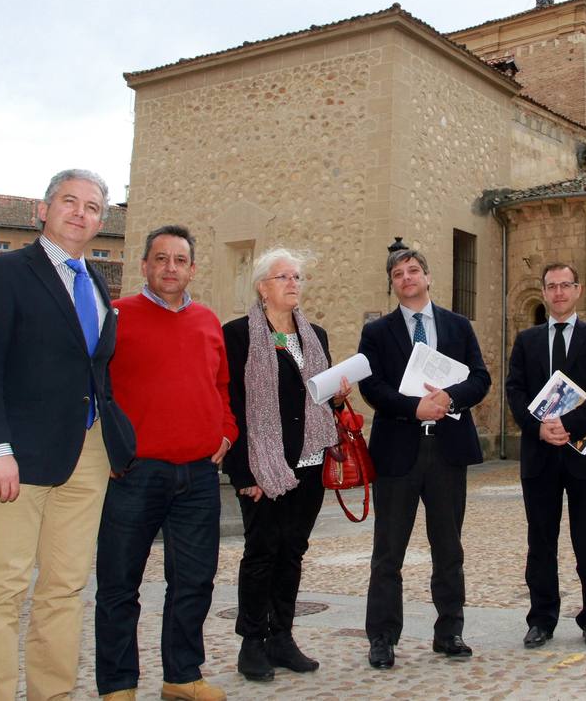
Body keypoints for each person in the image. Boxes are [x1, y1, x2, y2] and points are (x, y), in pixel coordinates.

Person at [0, 168, 136, 701]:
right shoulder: (5, 274)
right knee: (2, 589)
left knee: (65, 588)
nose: (80, 213)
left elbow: (92, 369)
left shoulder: (98, 282)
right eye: (69, 201)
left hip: (87, 455)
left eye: (92, 207)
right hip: (18, 455)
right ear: (44, 209)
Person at [94, 225, 236, 701]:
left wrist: (227, 432)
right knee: (119, 583)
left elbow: (220, 387)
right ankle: (117, 686)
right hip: (136, 473)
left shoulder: (208, 321)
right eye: (161, 259)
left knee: (194, 580)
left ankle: (182, 676)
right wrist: (110, 449)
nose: (170, 267)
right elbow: (97, 388)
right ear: (145, 265)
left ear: (192, 268)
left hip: (198, 474)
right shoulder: (114, 316)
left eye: (179, 260)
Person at [358, 247, 491, 670]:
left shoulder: (456, 326)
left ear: (428, 277)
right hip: (398, 451)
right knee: (388, 552)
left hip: (447, 450)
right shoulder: (377, 332)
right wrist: (412, 408)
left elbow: (481, 378)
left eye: (413, 270)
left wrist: (450, 397)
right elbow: (371, 388)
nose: (407, 278)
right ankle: (382, 637)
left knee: (449, 549)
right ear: (392, 284)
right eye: (398, 273)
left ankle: (449, 631)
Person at [222, 248, 349, 682]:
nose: (293, 283)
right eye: (283, 277)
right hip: (264, 464)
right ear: (262, 286)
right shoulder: (237, 335)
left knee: (293, 551)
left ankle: (283, 637)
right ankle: (252, 643)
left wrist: (338, 393)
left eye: (297, 277)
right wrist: (244, 473)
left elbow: (316, 397)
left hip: (309, 462)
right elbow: (234, 407)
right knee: (261, 553)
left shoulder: (316, 335)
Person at [505, 263, 586, 650]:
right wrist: (537, 426)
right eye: (551, 286)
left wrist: (570, 424)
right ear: (543, 293)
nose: (558, 293)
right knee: (541, 541)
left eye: (565, 285)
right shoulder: (526, 340)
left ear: (577, 290)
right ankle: (541, 619)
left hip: (585, 455)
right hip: (539, 452)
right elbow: (515, 390)